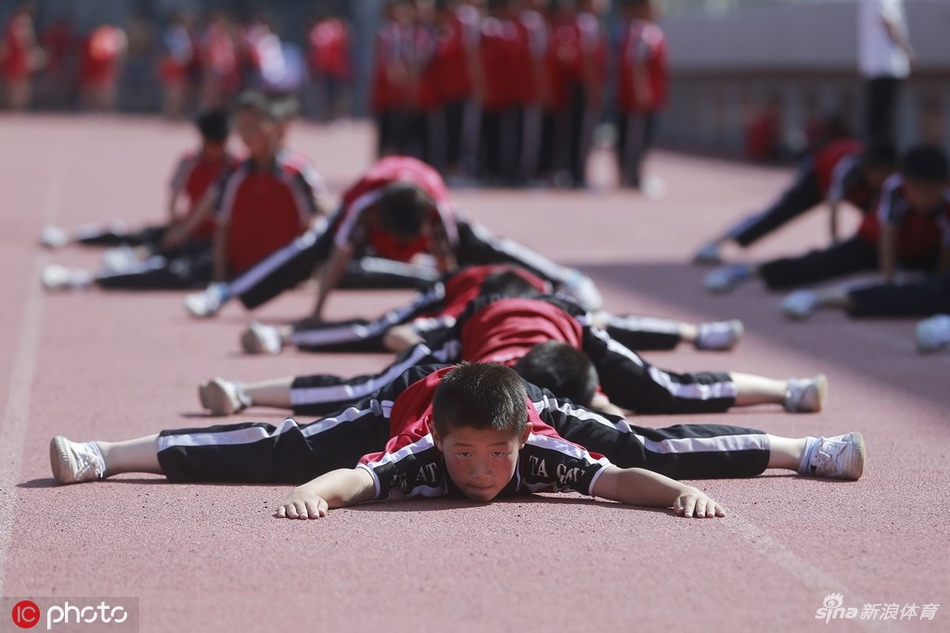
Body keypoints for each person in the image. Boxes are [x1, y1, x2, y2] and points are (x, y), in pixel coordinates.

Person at [49, 363, 866, 521]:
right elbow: (350, 479)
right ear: (443, 443)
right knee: (282, 448)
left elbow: (616, 477)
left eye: (494, 456)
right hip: (407, 400)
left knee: (647, 442)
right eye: (467, 456)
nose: (480, 473)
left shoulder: (533, 449)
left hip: (527, 395)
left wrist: (676, 494)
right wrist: (310, 493)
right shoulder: (423, 447)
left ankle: (808, 449)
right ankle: (104, 454)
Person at [197, 293, 815, 419]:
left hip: (565, 324)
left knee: (664, 388)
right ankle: (248, 393)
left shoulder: (573, 366)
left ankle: (786, 389)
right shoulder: (488, 379)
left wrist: (602, 400)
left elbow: (600, 397)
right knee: (382, 386)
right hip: (481, 322)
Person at [181, 155, 603, 319]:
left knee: (493, 246)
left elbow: (448, 264)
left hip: (424, 194)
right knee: (307, 248)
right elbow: (337, 259)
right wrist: (316, 312)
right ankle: (223, 292)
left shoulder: (438, 214)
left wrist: (451, 309)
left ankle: (568, 279)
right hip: (376, 198)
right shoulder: (363, 209)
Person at [42, 91, 326, 292]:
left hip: (267, 267)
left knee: (175, 263)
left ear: (277, 130)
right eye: (242, 128)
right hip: (228, 258)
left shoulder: (294, 172)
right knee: (161, 260)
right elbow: (214, 215)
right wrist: (185, 236)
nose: (246, 135)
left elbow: (317, 221)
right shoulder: (232, 172)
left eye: (253, 127)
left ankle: (132, 258)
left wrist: (310, 273)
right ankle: (87, 277)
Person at [237, 264, 743, 356]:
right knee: (385, 327)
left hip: (530, 294)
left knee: (604, 327)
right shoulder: (455, 296)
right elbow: (389, 330)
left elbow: (609, 321)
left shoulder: (546, 292)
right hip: (463, 310)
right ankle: (285, 338)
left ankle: (699, 335)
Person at [704, 145, 949, 295]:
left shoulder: (941, 197)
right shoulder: (888, 187)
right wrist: (888, 282)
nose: (924, 198)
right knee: (815, 262)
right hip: (867, 240)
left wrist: (938, 286)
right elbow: (886, 236)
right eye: (917, 190)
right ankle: (747, 271)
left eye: (930, 191)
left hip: (921, 248)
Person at [39, 109, 234, 261]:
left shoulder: (234, 165)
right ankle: (72, 236)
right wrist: (174, 224)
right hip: (188, 226)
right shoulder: (189, 160)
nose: (216, 150)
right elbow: (174, 193)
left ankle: (131, 260)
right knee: (138, 236)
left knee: (173, 253)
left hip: (215, 236)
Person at [693, 140, 897, 266]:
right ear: (869, 169)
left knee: (877, 217)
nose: (882, 180)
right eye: (878, 175)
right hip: (816, 177)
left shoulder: (888, 180)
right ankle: (716, 243)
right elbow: (833, 208)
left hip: (852, 189)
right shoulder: (847, 169)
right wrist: (834, 247)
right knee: (777, 214)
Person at [615, 0, 667, 193]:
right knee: (635, 138)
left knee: (643, 138)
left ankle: (633, 176)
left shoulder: (646, 31)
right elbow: (635, 62)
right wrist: (641, 91)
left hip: (649, 96)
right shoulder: (643, 31)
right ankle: (631, 177)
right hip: (640, 99)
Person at [858, 0, 913, 145]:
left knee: (878, 119)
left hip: (877, 66)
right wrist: (906, 49)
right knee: (883, 121)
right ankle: (882, 156)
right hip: (886, 65)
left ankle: (877, 153)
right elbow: (888, 22)